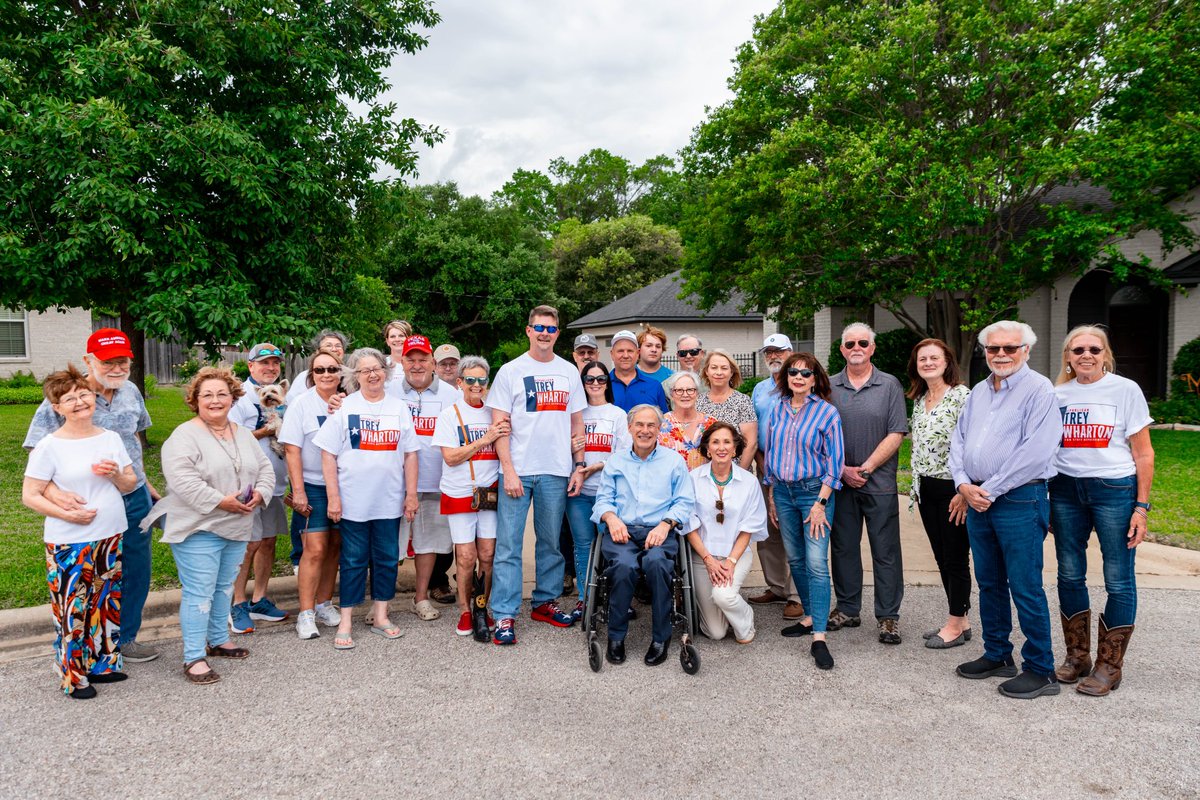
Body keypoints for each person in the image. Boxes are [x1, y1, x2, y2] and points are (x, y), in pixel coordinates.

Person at [24, 328, 163, 663]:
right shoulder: (72, 395)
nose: (117, 367)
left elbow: (133, 441)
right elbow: (37, 450)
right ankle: (84, 644)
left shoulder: (130, 391)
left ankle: (124, 637)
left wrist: (146, 484)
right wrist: (55, 494)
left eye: (123, 360)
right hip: (90, 499)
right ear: (89, 360)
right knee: (93, 574)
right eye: (108, 361)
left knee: (136, 569)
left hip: (133, 494)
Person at [949, 320, 1063, 700]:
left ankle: (1041, 669)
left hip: (1019, 498)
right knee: (990, 581)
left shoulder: (1039, 389)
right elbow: (959, 440)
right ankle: (998, 654)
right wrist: (964, 485)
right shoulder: (979, 392)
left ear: (1025, 351)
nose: (1001, 355)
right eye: (994, 348)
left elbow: (1036, 452)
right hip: (978, 498)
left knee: (1025, 586)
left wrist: (989, 489)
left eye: (1010, 348)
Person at [144, 367, 275, 685]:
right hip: (198, 528)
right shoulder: (183, 437)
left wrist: (260, 493)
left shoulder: (243, 433)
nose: (215, 400)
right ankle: (193, 657)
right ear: (195, 400)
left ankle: (218, 640)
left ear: (233, 397)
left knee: (222, 588)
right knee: (199, 593)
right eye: (208, 395)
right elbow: (183, 483)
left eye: (222, 394)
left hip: (237, 524)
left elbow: (265, 468)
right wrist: (222, 501)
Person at [1050, 325, 1155, 696]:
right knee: (1069, 574)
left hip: (1115, 489)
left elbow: (1143, 452)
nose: (1086, 356)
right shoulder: (1057, 394)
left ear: (1105, 354)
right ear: (1068, 356)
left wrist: (1141, 507)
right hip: (1064, 489)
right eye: (1077, 350)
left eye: (1094, 349)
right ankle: (1076, 656)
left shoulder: (1125, 390)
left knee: (1118, 578)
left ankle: (1109, 665)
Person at [23, 365, 137, 699]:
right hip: (68, 540)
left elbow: (129, 483)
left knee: (104, 601)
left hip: (111, 532)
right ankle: (74, 676)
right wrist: (68, 515)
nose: (78, 402)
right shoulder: (49, 446)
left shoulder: (111, 438)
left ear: (93, 397)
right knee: (72, 607)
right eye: (68, 399)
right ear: (57, 408)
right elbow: (30, 495)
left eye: (83, 394)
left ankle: (103, 664)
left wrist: (116, 473)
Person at [486, 305, 587, 644]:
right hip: (518, 471)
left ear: (558, 333)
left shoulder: (569, 371)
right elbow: (499, 427)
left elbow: (577, 424)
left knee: (550, 544)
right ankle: (503, 613)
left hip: (556, 470)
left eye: (551, 328)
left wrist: (578, 465)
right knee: (509, 545)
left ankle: (545, 601)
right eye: (539, 327)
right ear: (528, 331)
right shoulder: (511, 371)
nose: (545, 333)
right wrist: (509, 471)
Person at [314, 347, 420, 649]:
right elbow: (327, 454)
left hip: (389, 501)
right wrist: (333, 497)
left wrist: (411, 494)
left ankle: (381, 615)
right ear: (354, 376)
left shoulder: (398, 408)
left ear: (385, 373)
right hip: (353, 502)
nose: (372, 374)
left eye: (377, 368)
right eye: (364, 370)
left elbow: (411, 455)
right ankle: (346, 619)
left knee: (387, 559)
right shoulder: (344, 408)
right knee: (353, 560)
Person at [592, 404, 696, 666]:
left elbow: (684, 501)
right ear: (630, 428)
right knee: (624, 566)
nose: (645, 430)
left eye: (651, 425)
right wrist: (611, 517)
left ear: (659, 430)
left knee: (658, 563)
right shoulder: (616, 461)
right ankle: (616, 637)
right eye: (639, 424)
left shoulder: (673, 461)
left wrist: (665, 524)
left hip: (659, 530)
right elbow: (603, 499)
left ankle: (661, 638)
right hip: (622, 530)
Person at [827, 323, 908, 645]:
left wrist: (867, 467)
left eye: (863, 342)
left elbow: (897, 432)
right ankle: (848, 608)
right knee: (844, 548)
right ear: (842, 349)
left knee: (885, 552)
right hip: (841, 483)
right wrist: (843, 469)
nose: (856, 347)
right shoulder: (830, 386)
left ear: (872, 348)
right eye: (849, 343)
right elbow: (824, 433)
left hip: (881, 483)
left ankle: (888, 616)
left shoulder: (889, 385)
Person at [763, 353, 844, 670]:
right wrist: (771, 494)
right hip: (782, 492)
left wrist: (821, 503)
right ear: (786, 377)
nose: (798, 377)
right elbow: (771, 454)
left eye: (805, 373)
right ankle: (809, 616)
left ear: (815, 379)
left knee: (815, 562)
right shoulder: (776, 410)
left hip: (814, 494)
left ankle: (819, 638)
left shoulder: (827, 414)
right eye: (792, 372)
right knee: (794, 557)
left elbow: (835, 464)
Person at [431, 356, 510, 637]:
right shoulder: (449, 414)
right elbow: (451, 457)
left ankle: (482, 607)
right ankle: (465, 611)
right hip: (459, 492)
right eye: (471, 380)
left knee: (487, 554)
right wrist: (483, 440)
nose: (477, 386)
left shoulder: (495, 412)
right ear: (461, 382)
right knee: (465, 557)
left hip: (488, 493)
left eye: (482, 380)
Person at [387, 334, 462, 620]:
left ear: (433, 362)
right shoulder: (389, 391)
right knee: (389, 545)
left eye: (422, 359)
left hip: (435, 480)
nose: (417, 365)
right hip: (395, 483)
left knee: (428, 543)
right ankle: (383, 603)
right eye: (411, 359)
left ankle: (420, 598)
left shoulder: (451, 395)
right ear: (402, 361)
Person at [906, 338, 973, 649]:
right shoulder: (920, 399)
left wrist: (964, 489)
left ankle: (955, 623)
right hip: (926, 487)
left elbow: (972, 445)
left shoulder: (962, 396)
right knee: (941, 556)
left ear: (947, 362)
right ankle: (961, 618)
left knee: (956, 557)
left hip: (952, 487)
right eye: (923, 359)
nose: (928, 363)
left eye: (934, 357)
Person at [278, 348, 346, 640]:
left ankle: (323, 604)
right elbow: (292, 449)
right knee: (314, 549)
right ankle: (305, 613)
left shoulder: (349, 402)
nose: (326, 375)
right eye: (320, 370)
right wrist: (299, 490)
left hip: (345, 484)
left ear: (341, 372)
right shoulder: (301, 405)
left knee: (334, 548)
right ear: (311, 374)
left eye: (332, 369)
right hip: (313, 485)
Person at [685, 422, 768, 645]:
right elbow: (689, 525)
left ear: (735, 448)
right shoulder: (692, 479)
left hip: (736, 554)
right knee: (716, 632)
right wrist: (709, 560)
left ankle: (745, 620)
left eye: (727, 442)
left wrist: (730, 561)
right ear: (707, 448)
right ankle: (722, 608)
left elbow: (749, 528)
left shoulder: (749, 482)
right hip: (702, 558)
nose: (721, 447)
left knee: (723, 595)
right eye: (715, 442)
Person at [228, 343, 291, 634]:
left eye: (275, 363)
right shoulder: (238, 396)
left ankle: (259, 598)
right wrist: (266, 431)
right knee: (248, 544)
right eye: (264, 363)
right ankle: (237, 603)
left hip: (274, 483)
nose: (270, 368)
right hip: (247, 484)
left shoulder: (283, 397)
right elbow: (229, 438)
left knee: (268, 541)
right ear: (250, 366)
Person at [564, 361, 631, 622]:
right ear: (582, 383)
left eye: (600, 379)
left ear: (607, 383)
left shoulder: (617, 414)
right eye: (589, 379)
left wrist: (596, 466)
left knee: (613, 547)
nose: (594, 384)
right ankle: (585, 599)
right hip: (578, 494)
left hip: (609, 494)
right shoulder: (573, 413)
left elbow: (625, 455)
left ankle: (617, 599)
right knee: (582, 546)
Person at [748, 333, 804, 620]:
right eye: (769, 352)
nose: (773, 356)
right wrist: (762, 465)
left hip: (797, 472)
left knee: (794, 531)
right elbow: (754, 434)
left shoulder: (803, 382)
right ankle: (777, 587)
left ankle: (796, 595)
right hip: (765, 467)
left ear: (790, 352)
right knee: (768, 532)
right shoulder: (759, 390)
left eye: (779, 351)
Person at [696, 348, 758, 469]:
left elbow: (751, 444)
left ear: (731, 372)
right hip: (704, 475)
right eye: (714, 367)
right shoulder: (698, 402)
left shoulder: (742, 401)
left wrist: (739, 474)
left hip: (737, 473)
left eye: (724, 368)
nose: (719, 372)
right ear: (706, 372)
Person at [658, 371, 717, 470]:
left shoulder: (711, 423)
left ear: (697, 393)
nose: (685, 395)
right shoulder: (660, 423)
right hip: (671, 483)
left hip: (703, 483)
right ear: (671, 394)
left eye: (690, 390)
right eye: (679, 390)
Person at [609, 330, 669, 413]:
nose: (625, 355)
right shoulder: (601, 386)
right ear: (612, 354)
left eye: (630, 351)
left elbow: (664, 421)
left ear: (637, 353)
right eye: (620, 351)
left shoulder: (654, 386)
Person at [286, 329, 350, 403]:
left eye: (338, 346)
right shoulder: (304, 377)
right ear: (318, 351)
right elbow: (292, 402)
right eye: (328, 345)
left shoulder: (351, 375)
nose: (334, 349)